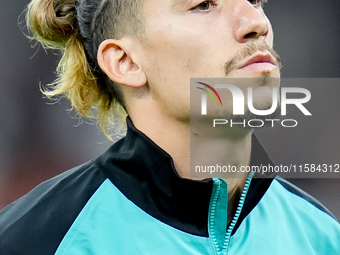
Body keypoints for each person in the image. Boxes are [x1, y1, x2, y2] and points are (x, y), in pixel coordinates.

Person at [0, 0, 339, 254]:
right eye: (204, 5)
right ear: (126, 62)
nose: (256, 22)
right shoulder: (32, 241)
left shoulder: (322, 237)